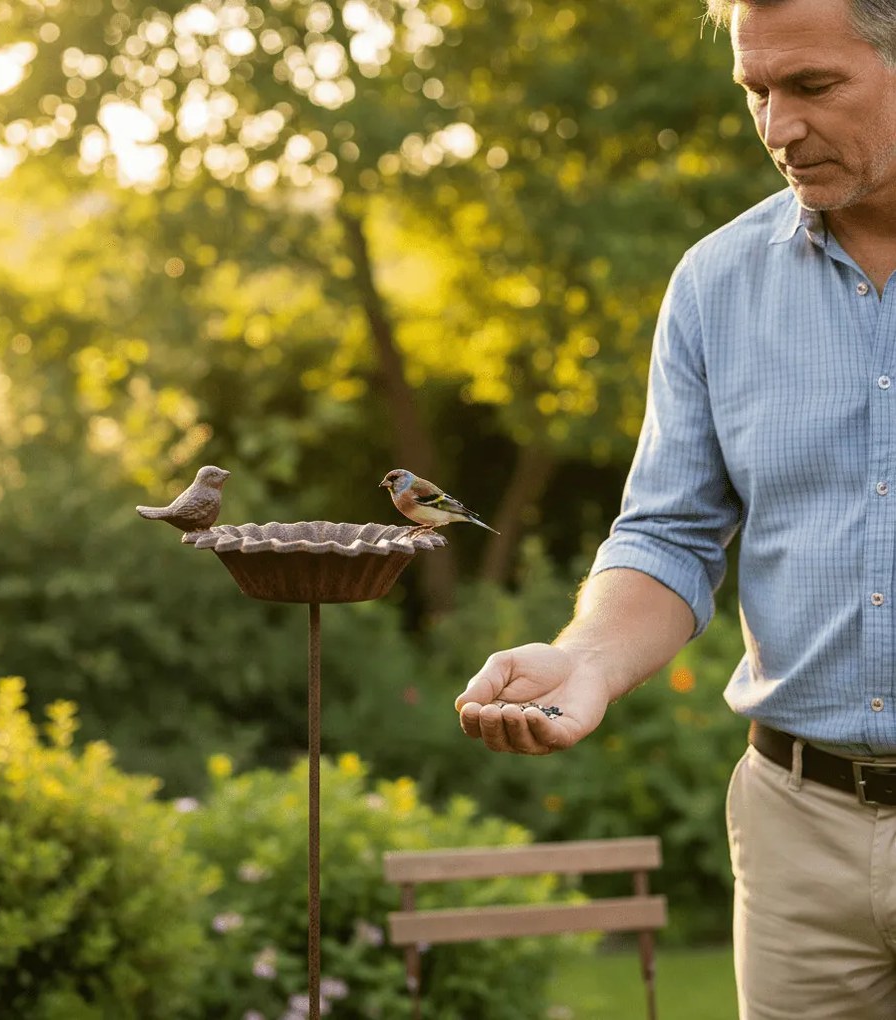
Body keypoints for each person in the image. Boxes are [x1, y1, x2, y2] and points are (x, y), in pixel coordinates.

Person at [454, 0, 896, 1016]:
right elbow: (670, 533)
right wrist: (588, 660)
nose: (779, 127)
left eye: (813, 86)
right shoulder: (716, 284)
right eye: (757, 91)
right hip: (798, 830)